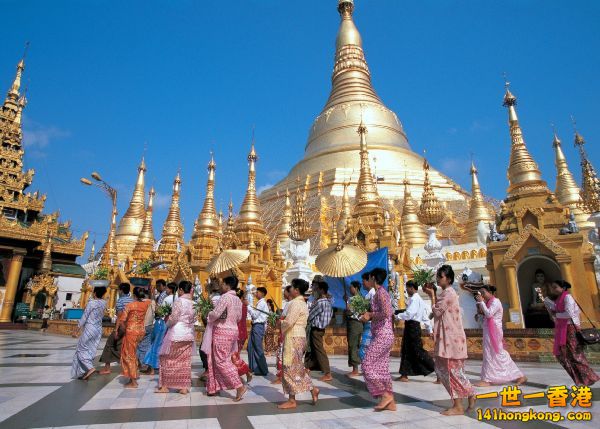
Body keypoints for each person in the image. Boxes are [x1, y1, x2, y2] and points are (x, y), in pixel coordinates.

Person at [425, 265, 475, 416]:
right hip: (448, 339)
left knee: (451, 371)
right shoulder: (446, 293)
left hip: (451, 340)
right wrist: (433, 294)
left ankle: (458, 405)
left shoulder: (449, 293)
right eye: (438, 276)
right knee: (445, 370)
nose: (438, 279)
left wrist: (432, 295)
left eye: (440, 276)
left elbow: (436, 311)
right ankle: (470, 394)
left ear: (449, 279)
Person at [543, 280, 599, 386]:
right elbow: (557, 309)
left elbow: (569, 313)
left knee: (575, 355)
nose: (553, 289)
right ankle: (581, 379)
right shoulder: (560, 298)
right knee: (564, 355)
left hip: (570, 328)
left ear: (563, 288)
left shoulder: (567, 297)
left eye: (555, 287)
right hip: (563, 328)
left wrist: (556, 316)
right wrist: (548, 303)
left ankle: (589, 377)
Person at [278, 278, 320, 409]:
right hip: (299, 336)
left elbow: (289, 321)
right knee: (296, 368)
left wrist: (279, 323)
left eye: (292, 287)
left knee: (289, 367)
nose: (290, 289)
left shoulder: (295, 304)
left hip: (293, 337)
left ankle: (292, 400)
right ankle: (312, 389)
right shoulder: (302, 303)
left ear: (296, 290)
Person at [474, 285, 526, 386]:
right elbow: (484, 315)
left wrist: (481, 302)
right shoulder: (487, 302)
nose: (482, 295)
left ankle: (518, 375)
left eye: (483, 293)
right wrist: (479, 307)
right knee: (489, 353)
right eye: (481, 293)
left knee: (498, 353)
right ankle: (488, 378)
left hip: (494, 331)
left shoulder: (496, 302)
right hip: (488, 330)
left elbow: (489, 314)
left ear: (490, 292)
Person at [205, 276, 247, 401]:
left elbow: (216, 314)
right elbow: (239, 317)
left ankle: (239, 386)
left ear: (228, 285)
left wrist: (208, 314)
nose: (221, 286)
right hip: (233, 331)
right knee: (224, 359)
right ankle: (215, 386)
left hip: (222, 331)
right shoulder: (237, 300)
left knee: (221, 361)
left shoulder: (225, 297)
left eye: (222, 284)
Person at [360, 268, 396, 411]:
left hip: (383, 334)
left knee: (367, 364)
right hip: (382, 333)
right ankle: (390, 402)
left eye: (369, 277)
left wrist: (370, 314)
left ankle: (385, 394)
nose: (368, 280)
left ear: (374, 278)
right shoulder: (379, 294)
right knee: (382, 368)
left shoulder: (381, 293)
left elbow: (387, 313)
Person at [156, 281, 197, 394]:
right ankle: (183, 387)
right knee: (184, 361)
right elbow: (194, 320)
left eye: (179, 290)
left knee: (166, 359)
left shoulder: (179, 301)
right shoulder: (194, 303)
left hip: (176, 334)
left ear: (181, 290)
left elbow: (173, 318)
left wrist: (167, 323)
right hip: (188, 335)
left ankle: (165, 386)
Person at [395, 280, 435, 382]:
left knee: (417, 350)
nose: (407, 290)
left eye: (407, 288)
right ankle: (404, 374)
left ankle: (436, 368)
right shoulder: (419, 300)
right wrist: (429, 329)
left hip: (412, 326)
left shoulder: (414, 299)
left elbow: (409, 314)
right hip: (413, 326)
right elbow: (425, 317)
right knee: (406, 350)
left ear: (412, 288)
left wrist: (397, 316)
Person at [71, 286, 107, 380]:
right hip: (98, 329)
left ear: (94, 293)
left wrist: (76, 330)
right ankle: (84, 371)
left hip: (90, 328)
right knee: (90, 349)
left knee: (81, 349)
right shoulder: (104, 303)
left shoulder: (92, 303)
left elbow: (84, 317)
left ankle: (90, 368)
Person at [118, 287, 151, 388]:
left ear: (134, 295)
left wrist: (122, 332)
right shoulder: (146, 304)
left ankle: (133, 380)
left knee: (129, 354)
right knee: (134, 353)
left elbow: (122, 321)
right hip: (141, 331)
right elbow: (150, 299)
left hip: (131, 331)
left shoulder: (129, 305)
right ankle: (134, 373)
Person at [99, 283, 133, 374]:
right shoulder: (132, 300)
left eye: (119, 290)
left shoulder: (120, 301)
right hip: (131, 326)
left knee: (110, 343)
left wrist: (116, 329)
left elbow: (119, 316)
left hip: (122, 326)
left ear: (121, 290)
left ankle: (107, 368)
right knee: (124, 346)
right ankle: (132, 365)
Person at [199, 280, 221, 380]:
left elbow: (207, 314)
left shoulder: (212, 299)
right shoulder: (222, 298)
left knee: (204, 349)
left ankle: (208, 369)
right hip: (220, 327)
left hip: (211, 326)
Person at [247, 286, 269, 376]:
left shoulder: (262, 303)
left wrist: (248, 306)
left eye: (257, 292)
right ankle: (254, 368)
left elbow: (255, 315)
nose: (256, 294)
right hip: (256, 326)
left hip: (258, 326)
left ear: (262, 293)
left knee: (257, 347)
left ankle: (263, 369)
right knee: (250, 346)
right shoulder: (259, 303)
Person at [232, 288, 252, 384]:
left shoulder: (236, 306)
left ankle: (246, 371)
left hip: (237, 333)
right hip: (242, 333)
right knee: (235, 355)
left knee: (234, 356)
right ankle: (236, 377)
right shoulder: (244, 306)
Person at [273, 285, 292, 384]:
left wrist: (278, 320)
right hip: (287, 333)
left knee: (281, 355)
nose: (283, 293)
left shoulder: (289, 304)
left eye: (285, 291)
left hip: (285, 333)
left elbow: (283, 320)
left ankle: (281, 377)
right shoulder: (290, 304)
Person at [345, 280, 364, 377]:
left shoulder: (356, 299)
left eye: (351, 287)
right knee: (354, 344)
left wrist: (347, 305)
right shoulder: (357, 298)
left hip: (355, 323)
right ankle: (354, 367)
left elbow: (350, 312)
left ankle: (355, 369)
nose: (350, 289)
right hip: (356, 323)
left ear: (356, 288)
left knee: (353, 345)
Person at [137, 290, 156, 373]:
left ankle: (140, 363)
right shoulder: (152, 302)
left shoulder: (138, 303)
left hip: (140, 325)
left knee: (139, 345)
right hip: (150, 325)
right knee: (147, 345)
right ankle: (144, 363)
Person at [359, 271, 375, 361]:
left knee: (364, 350)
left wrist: (366, 314)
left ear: (369, 281)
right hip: (367, 324)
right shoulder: (368, 295)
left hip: (371, 324)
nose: (362, 283)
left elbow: (373, 311)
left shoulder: (373, 294)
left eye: (364, 281)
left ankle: (370, 369)